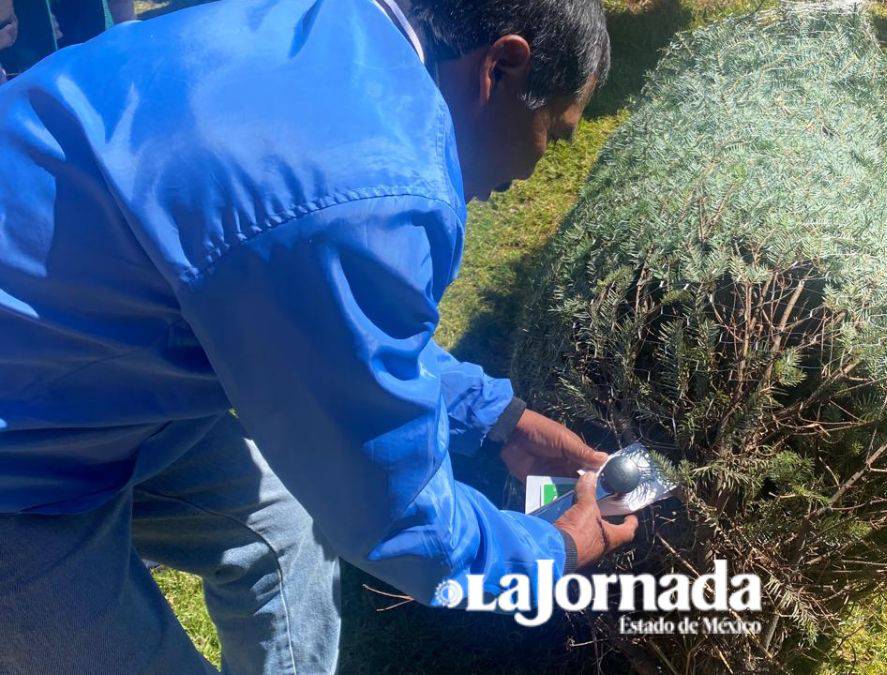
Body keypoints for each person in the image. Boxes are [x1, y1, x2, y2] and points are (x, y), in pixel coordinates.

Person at [0, 0, 639, 673]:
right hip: (20, 455)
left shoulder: (332, 29)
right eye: (555, 132)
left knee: (284, 537)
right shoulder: (368, 192)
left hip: (78, 359)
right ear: (503, 67)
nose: (538, 167)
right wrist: (556, 548)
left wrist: (499, 421)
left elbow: (327, 322)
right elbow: (402, 523)